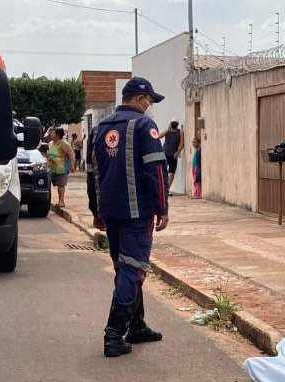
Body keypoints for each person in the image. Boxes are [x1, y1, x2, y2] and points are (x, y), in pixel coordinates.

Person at [87, 76, 169, 357]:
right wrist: (162, 207)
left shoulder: (101, 127)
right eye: (148, 100)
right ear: (137, 98)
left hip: (110, 212)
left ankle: (136, 325)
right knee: (133, 269)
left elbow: (92, 173)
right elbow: (156, 170)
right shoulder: (144, 126)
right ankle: (113, 335)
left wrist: (95, 210)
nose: (149, 106)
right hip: (137, 213)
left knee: (125, 270)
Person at [47, 128, 75, 207]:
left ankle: (61, 201)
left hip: (62, 168)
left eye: (53, 133)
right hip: (52, 168)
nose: (51, 135)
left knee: (61, 185)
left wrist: (72, 164)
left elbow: (71, 154)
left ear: (58, 135)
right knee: (49, 184)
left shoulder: (64, 144)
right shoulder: (50, 143)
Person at [158, 116, 184, 194]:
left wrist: (178, 152)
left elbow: (181, 143)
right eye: (173, 123)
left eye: (175, 123)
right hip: (165, 153)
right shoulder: (168, 131)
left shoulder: (180, 132)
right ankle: (162, 188)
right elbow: (160, 136)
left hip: (173, 155)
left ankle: (167, 189)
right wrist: (167, 129)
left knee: (172, 172)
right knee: (163, 171)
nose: (174, 125)